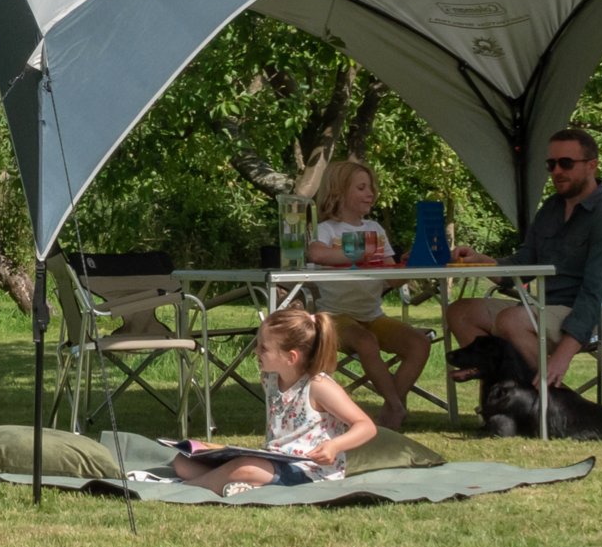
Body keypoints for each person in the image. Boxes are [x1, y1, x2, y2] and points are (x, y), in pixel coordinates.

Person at [444, 127, 602, 387]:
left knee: (512, 319)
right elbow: (524, 264)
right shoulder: (551, 208)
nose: (556, 171)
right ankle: (507, 396)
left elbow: (594, 291)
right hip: (544, 305)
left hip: (599, 314)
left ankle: (555, 400)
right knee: (461, 311)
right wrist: (480, 260)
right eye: (551, 164)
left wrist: (562, 356)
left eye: (566, 163)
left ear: (592, 165)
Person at [170, 306, 378, 498]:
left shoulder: (319, 386)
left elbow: (366, 426)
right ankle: (234, 484)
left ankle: (189, 489)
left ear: (291, 357)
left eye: (264, 348)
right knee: (182, 461)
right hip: (274, 460)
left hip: (310, 472)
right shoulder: (270, 378)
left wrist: (334, 446)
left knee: (246, 468)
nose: (256, 351)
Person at [304, 158, 430, 431]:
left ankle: (390, 407)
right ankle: (397, 406)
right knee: (367, 342)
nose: (370, 193)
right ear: (339, 192)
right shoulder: (326, 229)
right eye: (361, 187)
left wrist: (407, 266)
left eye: (371, 187)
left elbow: (391, 280)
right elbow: (316, 253)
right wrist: (355, 254)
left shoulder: (375, 230)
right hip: (333, 317)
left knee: (419, 344)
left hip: (372, 315)